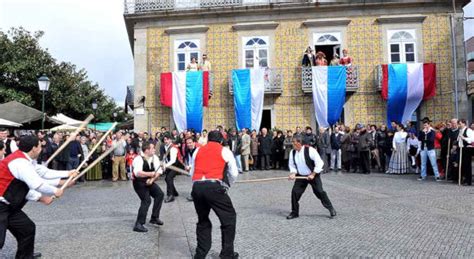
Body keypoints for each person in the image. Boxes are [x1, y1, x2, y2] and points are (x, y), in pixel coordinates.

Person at [0, 135, 77, 258]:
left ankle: (25, 257)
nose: (42, 148)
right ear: (34, 148)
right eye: (40, 145)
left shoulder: (25, 159)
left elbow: (43, 172)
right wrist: (55, 191)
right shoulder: (21, 163)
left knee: (27, 229)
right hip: (1, 206)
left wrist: (68, 173)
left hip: (10, 206)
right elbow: (37, 184)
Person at [189, 130, 239, 259]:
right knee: (229, 218)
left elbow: (192, 173)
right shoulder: (224, 151)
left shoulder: (197, 151)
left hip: (197, 187)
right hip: (214, 187)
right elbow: (234, 173)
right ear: (221, 140)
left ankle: (200, 254)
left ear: (208, 140)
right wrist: (227, 185)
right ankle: (227, 254)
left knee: (203, 220)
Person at [287, 134, 336, 220]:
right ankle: (294, 212)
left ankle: (330, 208)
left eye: (294, 142)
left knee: (319, 192)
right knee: (295, 192)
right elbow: (292, 165)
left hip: (313, 175)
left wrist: (313, 174)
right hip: (301, 176)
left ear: (299, 143)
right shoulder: (292, 152)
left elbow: (320, 163)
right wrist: (293, 173)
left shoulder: (310, 150)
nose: (292, 144)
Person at [131, 142, 165, 232]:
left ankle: (154, 217)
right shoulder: (138, 159)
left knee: (160, 194)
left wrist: (152, 180)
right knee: (146, 200)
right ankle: (138, 224)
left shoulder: (155, 158)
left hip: (150, 181)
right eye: (152, 148)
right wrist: (150, 174)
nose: (154, 150)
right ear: (146, 150)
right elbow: (137, 173)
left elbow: (159, 171)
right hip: (139, 183)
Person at [162, 133, 182, 203]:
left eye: (167, 139)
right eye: (164, 139)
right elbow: (165, 158)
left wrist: (165, 166)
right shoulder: (165, 147)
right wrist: (164, 164)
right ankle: (175, 192)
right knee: (167, 178)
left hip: (176, 166)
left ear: (170, 140)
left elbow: (173, 160)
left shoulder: (173, 148)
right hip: (170, 165)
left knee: (168, 178)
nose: (165, 141)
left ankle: (170, 195)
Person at [457, 119, 474, 185]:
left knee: (467, 165)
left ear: (464, 123)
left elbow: (472, 139)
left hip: (467, 149)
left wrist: (464, 138)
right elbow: (458, 140)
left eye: (460, 123)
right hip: (462, 149)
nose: (459, 125)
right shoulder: (460, 130)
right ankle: (464, 179)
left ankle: (468, 181)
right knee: (463, 165)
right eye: (458, 124)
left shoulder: (469, 130)